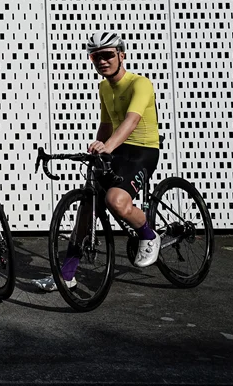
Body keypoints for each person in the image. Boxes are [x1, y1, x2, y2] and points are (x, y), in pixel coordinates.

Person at [36, 32, 162, 291]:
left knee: (116, 201)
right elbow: (106, 124)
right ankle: (66, 275)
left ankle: (148, 234)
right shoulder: (104, 87)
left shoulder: (140, 84)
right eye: (95, 57)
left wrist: (108, 146)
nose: (102, 61)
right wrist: (98, 150)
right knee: (87, 208)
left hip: (142, 151)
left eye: (107, 55)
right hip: (117, 150)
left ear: (121, 55)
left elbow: (132, 120)